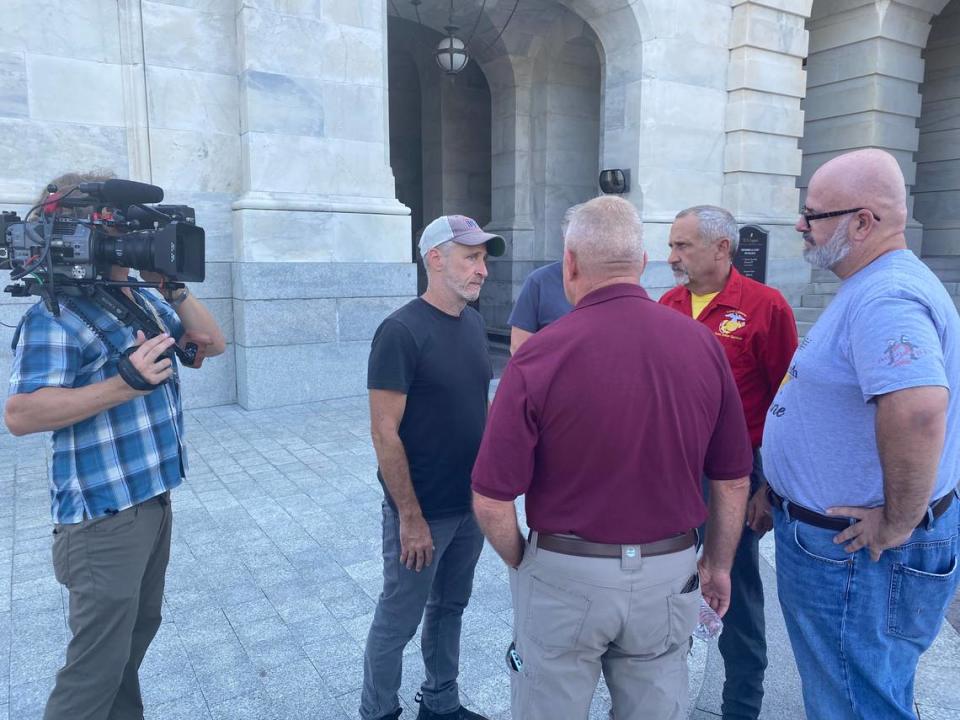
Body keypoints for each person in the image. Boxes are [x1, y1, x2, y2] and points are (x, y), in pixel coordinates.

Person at [470, 196, 753, 720]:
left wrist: (524, 562)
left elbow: (491, 499)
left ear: (570, 263)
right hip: (669, 573)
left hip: (567, 571)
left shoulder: (538, 353)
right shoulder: (703, 345)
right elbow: (733, 478)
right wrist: (716, 563)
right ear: (642, 262)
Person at [4, 172, 227, 720]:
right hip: (103, 519)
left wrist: (171, 283)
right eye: (119, 228)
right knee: (92, 671)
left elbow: (211, 344)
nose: (130, 239)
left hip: (152, 502)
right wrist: (122, 383)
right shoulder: (55, 316)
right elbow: (21, 414)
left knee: (131, 643)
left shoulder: (134, 299)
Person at [762, 148, 960, 719]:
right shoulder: (874, 283)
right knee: (872, 691)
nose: (801, 225)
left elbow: (919, 408)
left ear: (862, 222)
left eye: (814, 214)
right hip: (852, 554)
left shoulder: (886, 296)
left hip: (855, 558)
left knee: (854, 703)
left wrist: (896, 522)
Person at [360, 215, 505, 720]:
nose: (482, 269)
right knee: (398, 619)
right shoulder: (401, 331)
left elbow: (476, 409)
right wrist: (410, 517)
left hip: (469, 508)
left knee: (449, 610)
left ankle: (440, 705)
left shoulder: (470, 322)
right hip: (422, 513)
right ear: (435, 260)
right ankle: (378, 711)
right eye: (471, 257)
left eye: (484, 258)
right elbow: (384, 431)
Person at [659, 205, 798, 720]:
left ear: (722, 248)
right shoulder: (668, 304)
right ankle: (664, 693)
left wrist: (772, 486)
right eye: (672, 245)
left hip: (740, 473)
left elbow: (791, 404)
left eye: (682, 246)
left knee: (733, 583)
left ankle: (740, 706)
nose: (671, 256)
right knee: (672, 580)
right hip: (675, 470)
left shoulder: (765, 308)